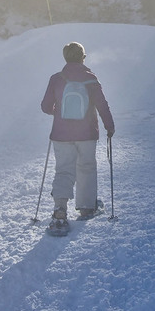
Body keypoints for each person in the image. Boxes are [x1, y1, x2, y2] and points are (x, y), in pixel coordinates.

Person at [40, 42, 114, 231]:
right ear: (82, 57)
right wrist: (109, 126)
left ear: (65, 58)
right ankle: (87, 208)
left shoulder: (56, 79)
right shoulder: (90, 78)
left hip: (61, 134)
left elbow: (45, 107)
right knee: (86, 168)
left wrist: (58, 112)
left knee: (64, 170)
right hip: (87, 133)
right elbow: (102, 105)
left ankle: (59, 211)